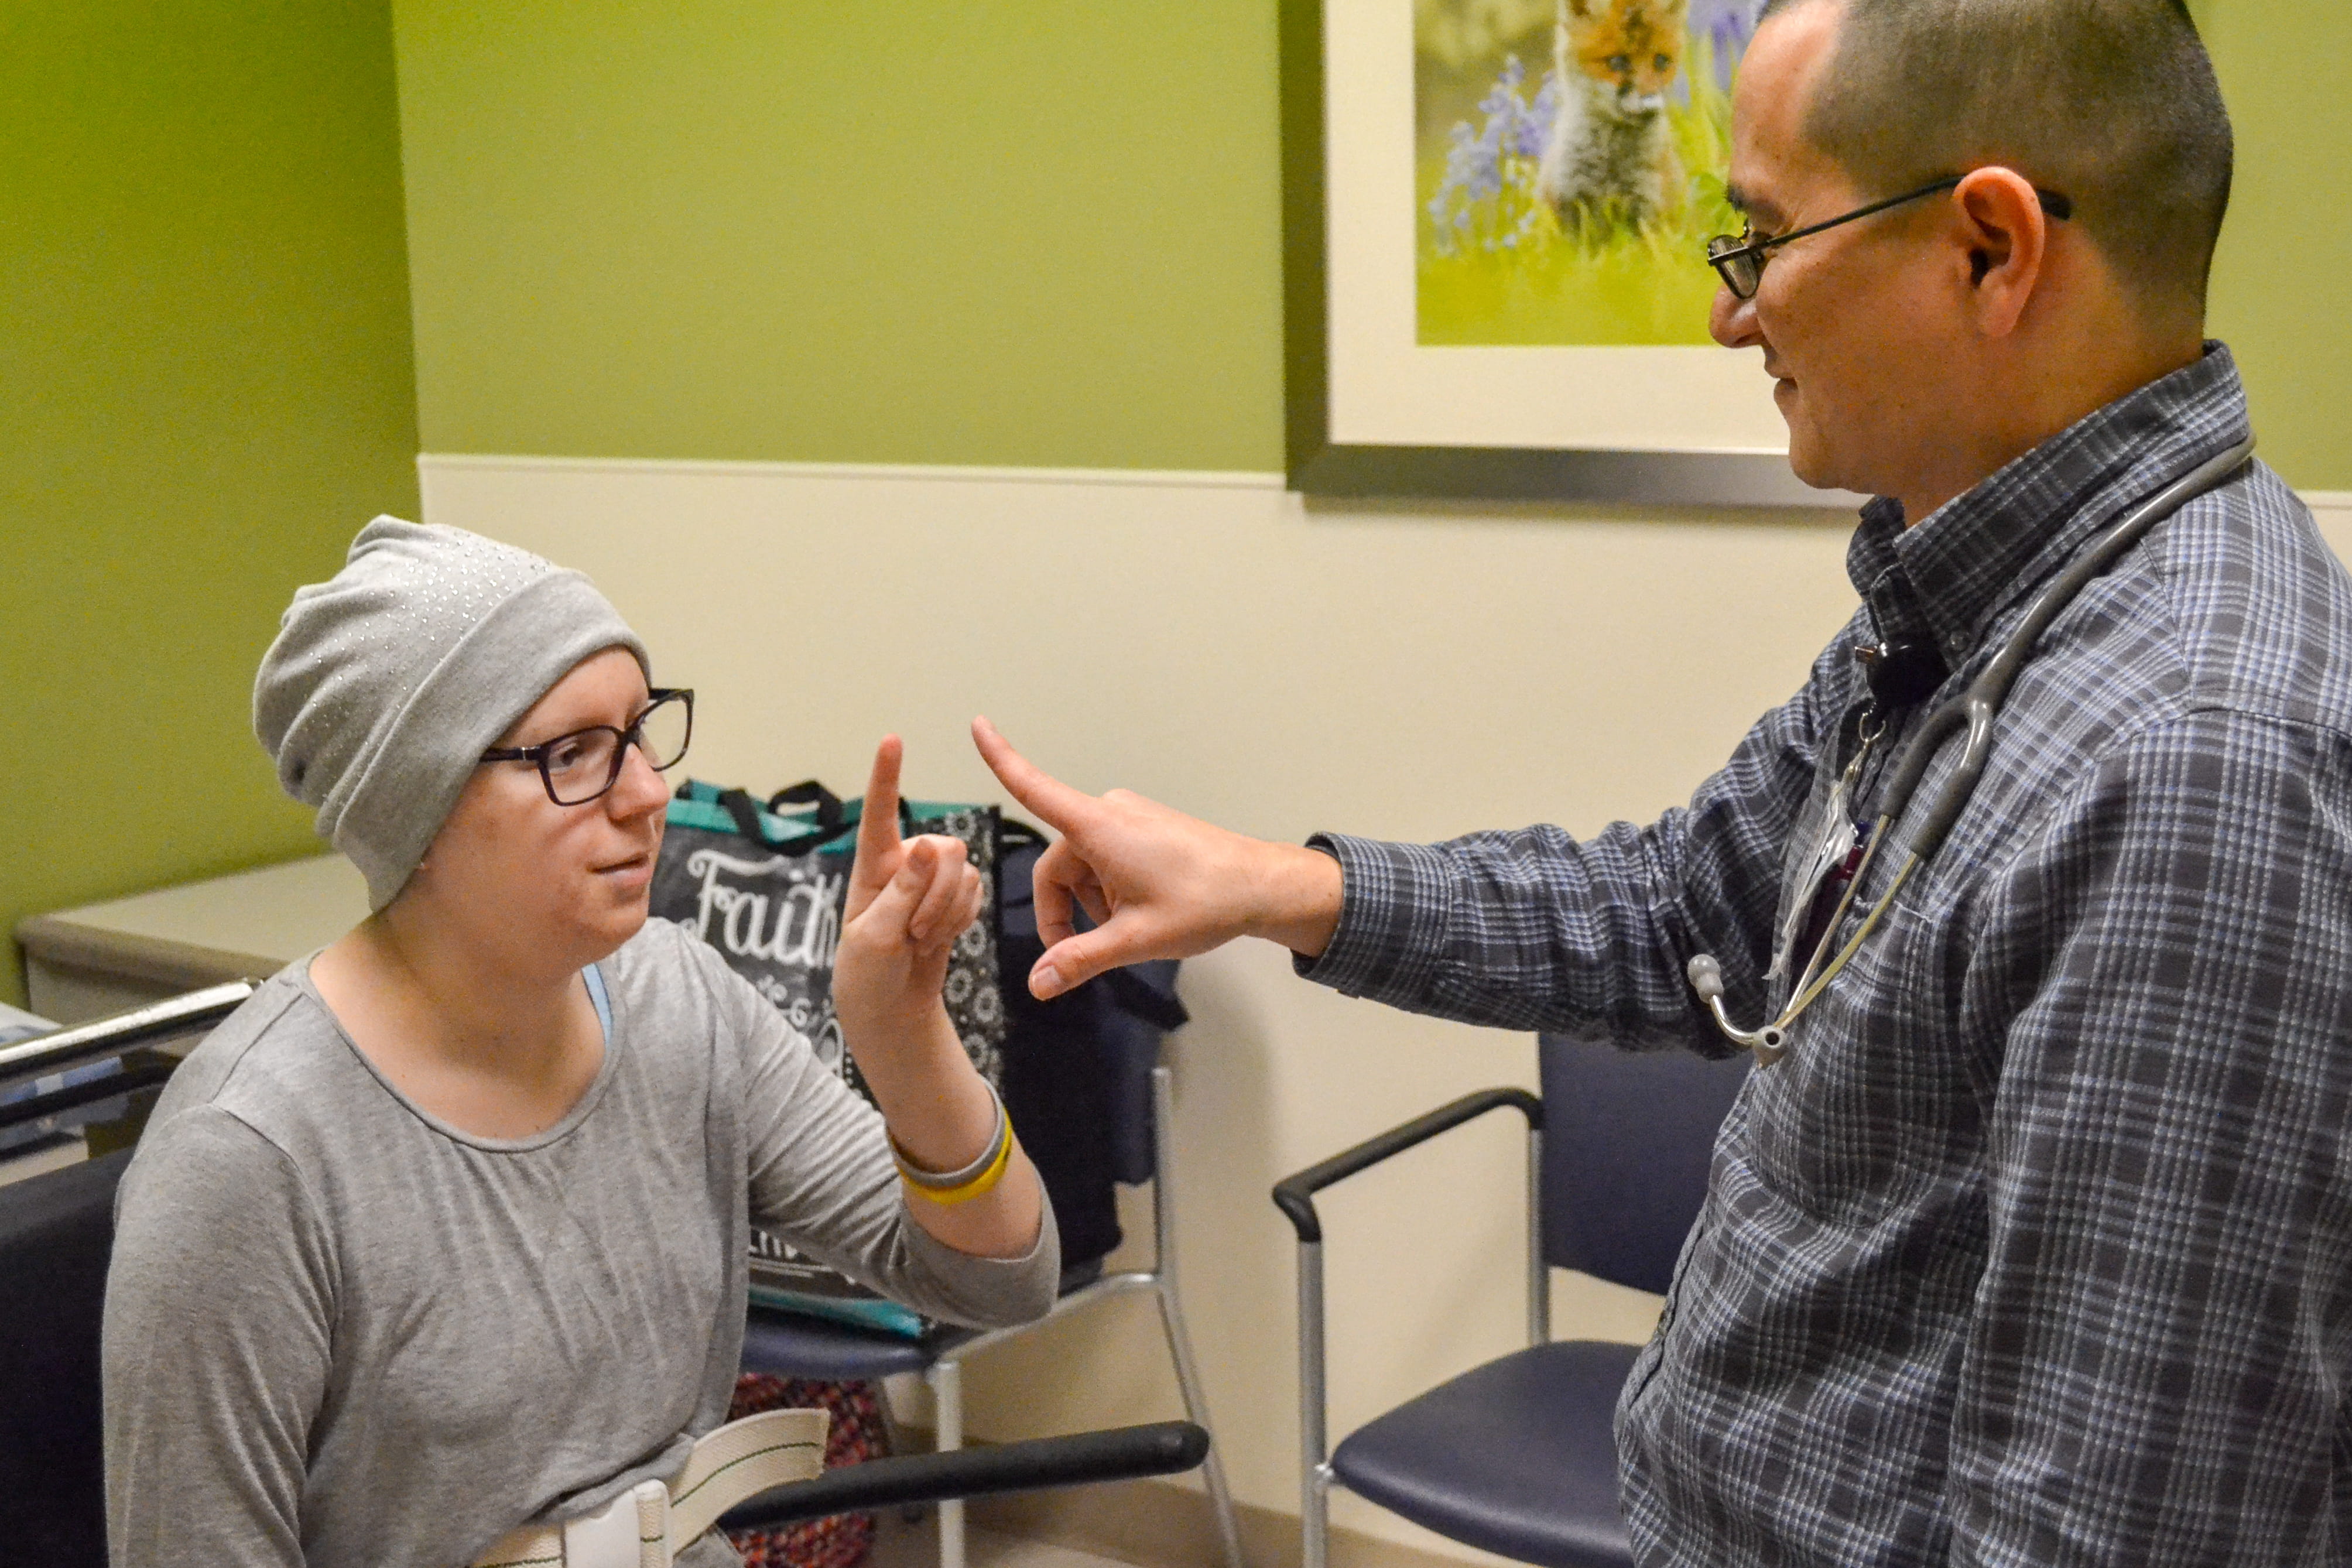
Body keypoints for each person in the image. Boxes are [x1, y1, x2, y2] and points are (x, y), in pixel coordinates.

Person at [973, 0, 2352, 1561]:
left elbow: (2108, 1519)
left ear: (1988, 249)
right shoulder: (1984, 607)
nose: (1732, 312)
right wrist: (1281, 885)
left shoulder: (2191, 759)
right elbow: (1690, 906)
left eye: (1762, 235)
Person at [102, 519, 1056, 1568]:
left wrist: (904, 1037)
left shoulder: (677, 1001)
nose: (648, 792)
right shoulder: (249, 1153)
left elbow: (1001, 1280)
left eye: (640, 732)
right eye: (572, 755)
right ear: (412, 807)